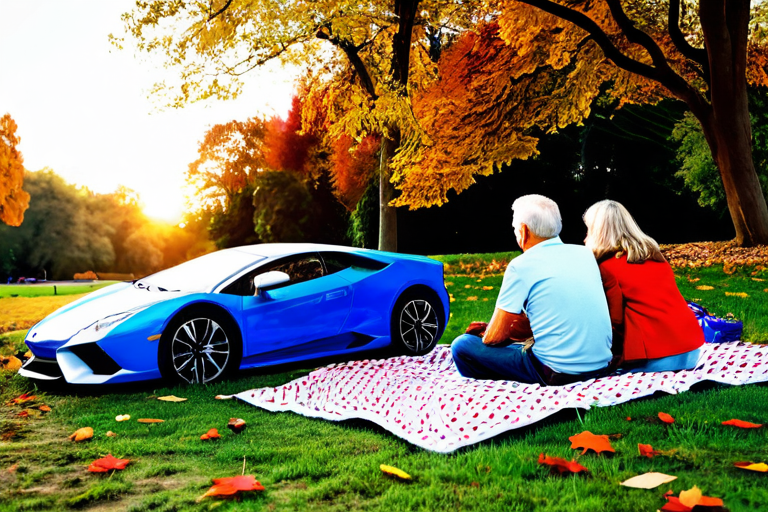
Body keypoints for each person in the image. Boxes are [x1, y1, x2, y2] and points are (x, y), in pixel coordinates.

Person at [451, 195, 613, 385]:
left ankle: (496, 381)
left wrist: (484, 333)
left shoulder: (520, 265)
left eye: (514, 229)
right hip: (600, 365)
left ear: (524, 231)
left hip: (553, 371)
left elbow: (494, 337)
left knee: (462, 346)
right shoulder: (585, 254)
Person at [583, 200, 704, 373]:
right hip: (690, 351)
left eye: (588, 230)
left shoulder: (606, 268)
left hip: (656, 356)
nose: (585, 237)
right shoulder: (656, 258)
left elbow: (614, 321)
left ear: (598, 232)